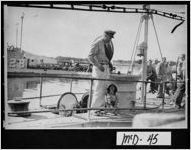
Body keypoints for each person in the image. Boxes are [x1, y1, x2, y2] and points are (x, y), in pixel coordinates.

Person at [88, 30, 116, 115]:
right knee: (98, 89)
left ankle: (101, 108)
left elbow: (106, 57)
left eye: (111, 38)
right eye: (109, 37)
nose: (110, 39)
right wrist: (99, 65)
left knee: (104, 89)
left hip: (106, 68)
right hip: (99, 68)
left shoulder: (107, 44)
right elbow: (90, 56)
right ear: (104, 35)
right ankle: (95, 109)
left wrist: (109, 64)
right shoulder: (98, 43)